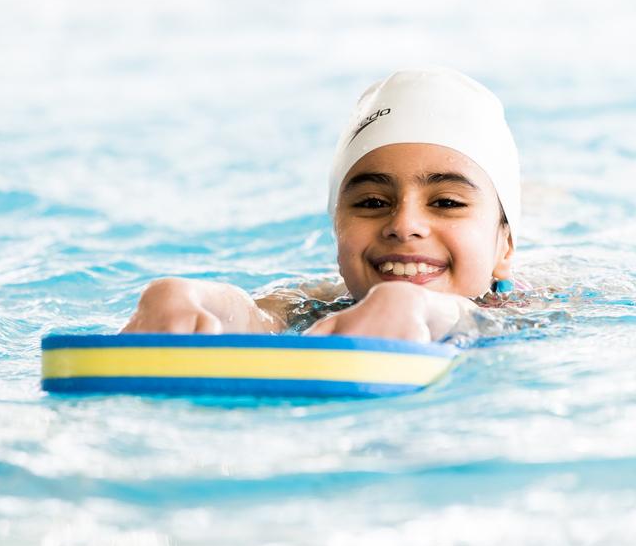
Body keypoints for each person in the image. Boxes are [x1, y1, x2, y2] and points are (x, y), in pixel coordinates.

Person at [122, 67, 522, 343]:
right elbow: (257, 317)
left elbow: (480, 323)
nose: (404, 224)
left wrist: (425, 309)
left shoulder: (544, 309)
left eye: (447, 202)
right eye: (372, 201)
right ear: (337, 230)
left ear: (504, 247)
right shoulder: (319, 306)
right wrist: (188, 299)